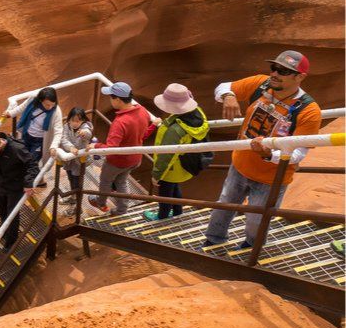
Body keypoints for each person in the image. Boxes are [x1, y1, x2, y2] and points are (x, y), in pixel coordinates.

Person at [203, 51, 321, 250]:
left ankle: (251, 248)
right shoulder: (261, 84)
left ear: (300, 77)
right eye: (274, 68)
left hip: (271, 179)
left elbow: (299, 154)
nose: (275, 74)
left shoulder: (309, 111)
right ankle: (213, 240)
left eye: (283, 71)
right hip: (240, 165)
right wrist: (229, 95)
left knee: (257, 219)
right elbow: (223, 86)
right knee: (223, 205)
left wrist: (268, 154)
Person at [143, 84, 208, 221]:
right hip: (185, 165)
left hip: (171, 168)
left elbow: (166, 156)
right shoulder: (198, 113)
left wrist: (157, 174)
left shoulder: (176, 131)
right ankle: (178, 211)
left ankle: (162, 217)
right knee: (174, 187)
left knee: (165, 193)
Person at [86, 82, 152, 214]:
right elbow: (143, 134)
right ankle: (122, 208)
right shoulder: (143, 111)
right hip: (135, 158)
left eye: (111, 97)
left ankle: (100, 202)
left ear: (118, 99)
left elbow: (111, 148)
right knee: (121, 181)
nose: (110, 100)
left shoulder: (120, 122)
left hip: (117, 161)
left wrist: (95, 145)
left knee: (105, 181)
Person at [2, 86, 64, 166]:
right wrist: (10, 113)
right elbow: (22, 107)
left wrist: (53, 146)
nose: (50, 107)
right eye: (47, 105)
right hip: (26, 136)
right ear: (41, 100)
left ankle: (31, 177)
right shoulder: (33, 100)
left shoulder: (56, 111)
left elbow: (58, 131)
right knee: (22, 157)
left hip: (39, 142)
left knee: (31, 162)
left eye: (52, 104)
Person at [58, 107, 93, 206]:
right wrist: (71, 148)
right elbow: (63, 139)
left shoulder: (85, 127)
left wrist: (83, 133)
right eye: (73, 120)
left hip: (79, 162)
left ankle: (78, 206)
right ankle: (73, 197)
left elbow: (88, 133)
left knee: (77, 182)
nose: (75, 123)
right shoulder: (66, 126)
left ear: (83, 121)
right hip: (70, 160)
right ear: (69, 119)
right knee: (71, 178)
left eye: (78, 121)